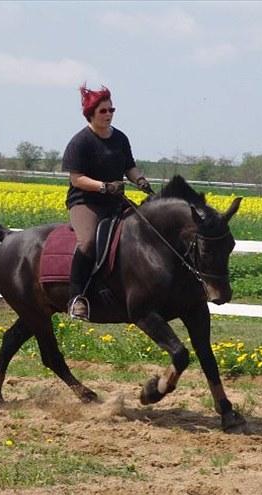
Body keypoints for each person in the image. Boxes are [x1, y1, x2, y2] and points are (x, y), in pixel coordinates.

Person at [61, 84, 152, 320]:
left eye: (112, 109)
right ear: (91, 113)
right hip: (85, 202)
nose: (109, 114)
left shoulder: (120, 138)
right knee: (89, 243)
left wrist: (139, 180)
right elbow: (76, 179)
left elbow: (129, 167)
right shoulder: (80, 142)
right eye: (103, 110)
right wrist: (103, 186)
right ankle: (76, 297)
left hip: (114, 200)